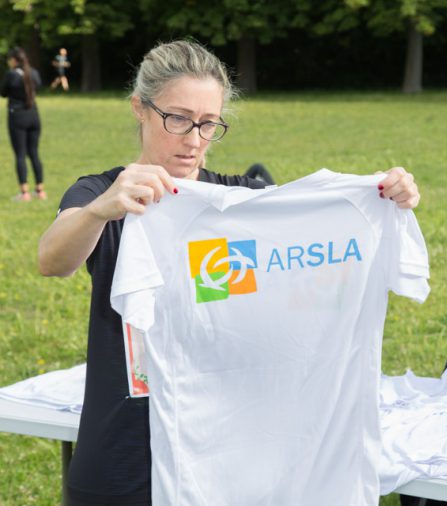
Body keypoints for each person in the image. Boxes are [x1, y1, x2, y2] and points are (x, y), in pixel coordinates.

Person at [37, 40, 421, 506]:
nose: (194, 139)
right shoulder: (104, 192)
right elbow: (53, 260)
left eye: (208, 124)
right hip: (126, 451)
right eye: (177, 119)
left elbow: (307, 257)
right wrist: (100, 210)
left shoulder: (241, 206)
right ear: (140, 108)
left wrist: (380, 195)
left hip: (223, 458)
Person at [1, 47, 46, 201]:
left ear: (14, 59)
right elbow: (38, 87)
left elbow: (3, 92)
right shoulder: (33, 73)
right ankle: (40, 190)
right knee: (34, 153)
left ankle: (24, 192)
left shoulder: (11, 74)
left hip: (17, 116)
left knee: (20, 154)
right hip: (34, 115)